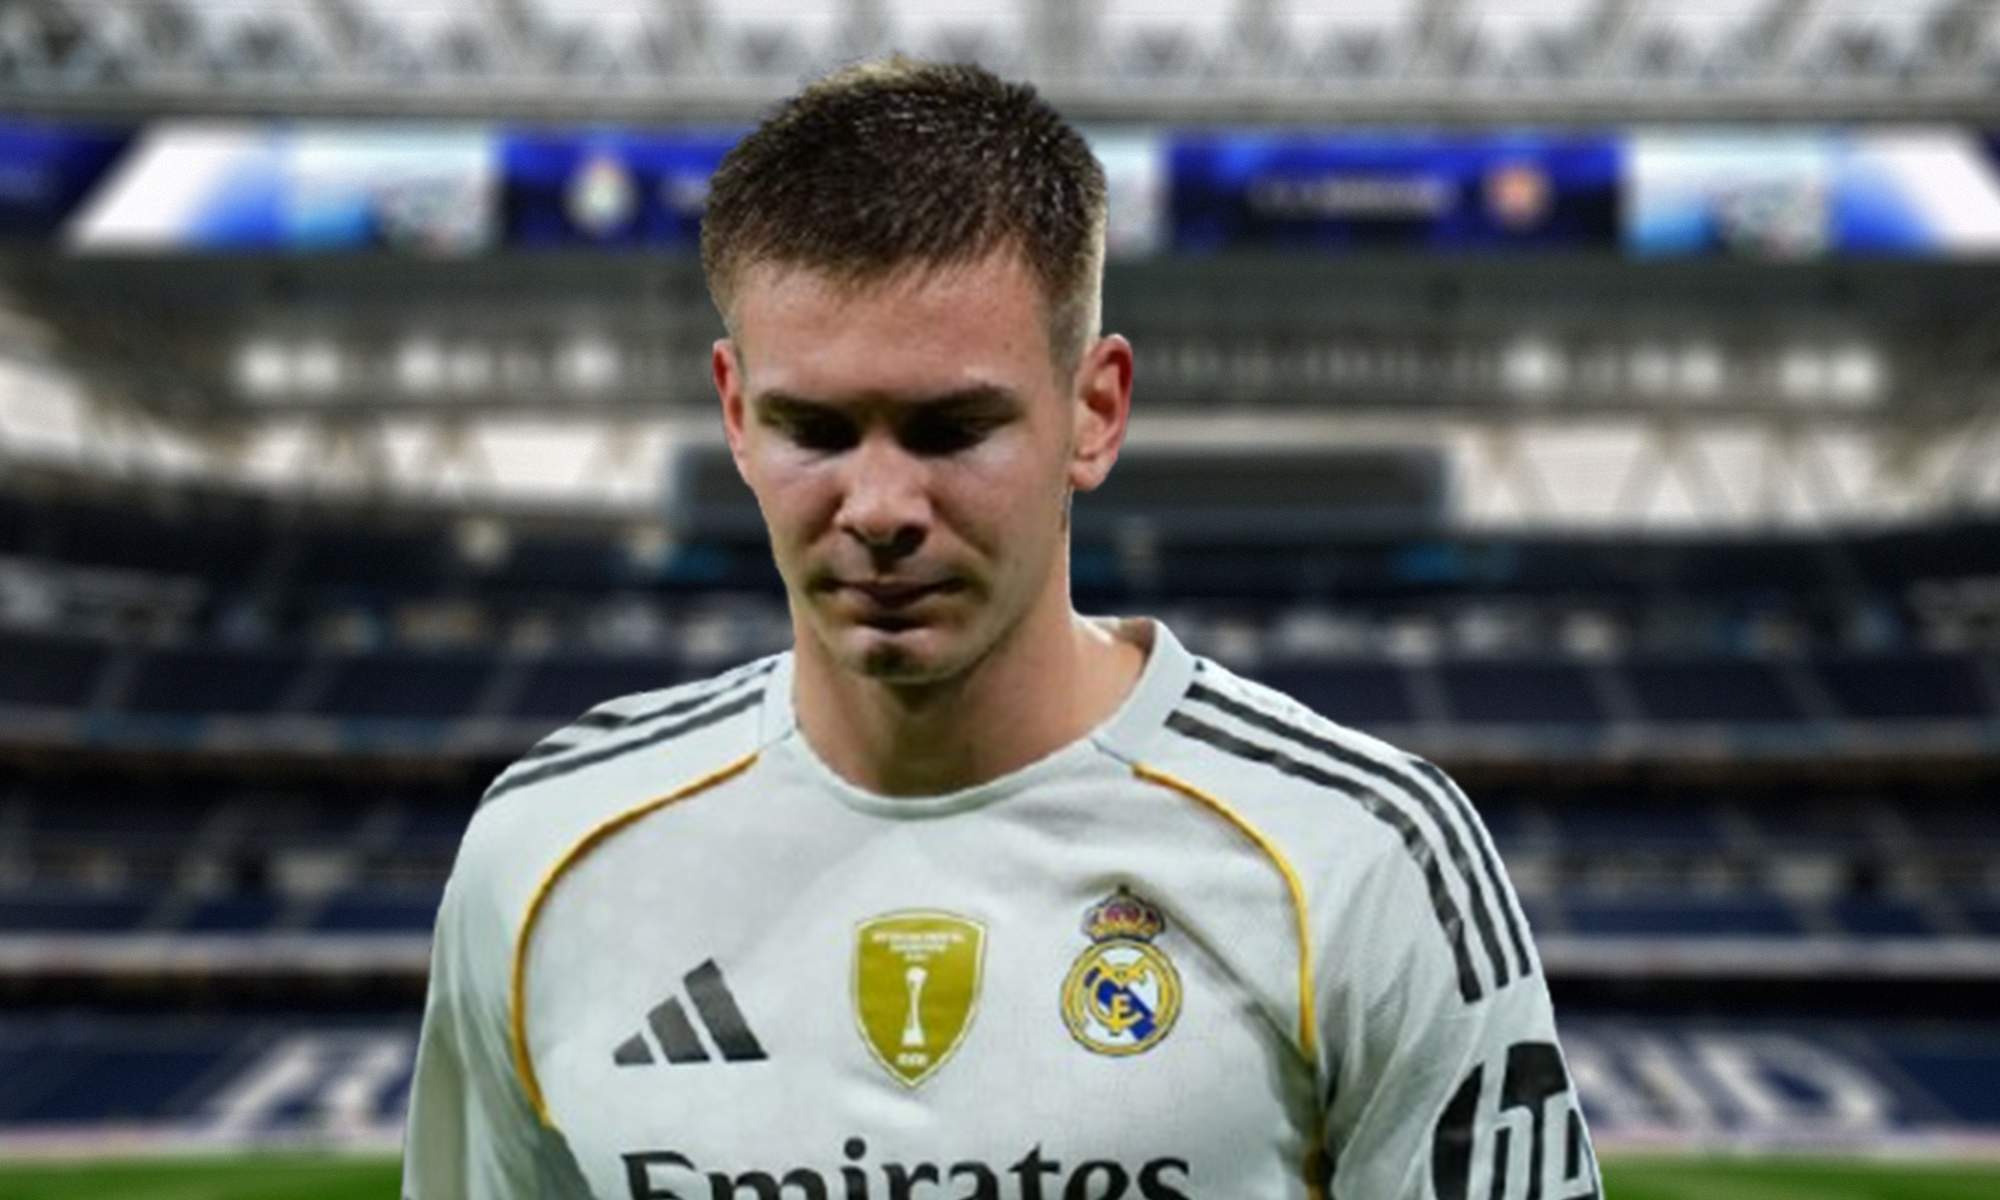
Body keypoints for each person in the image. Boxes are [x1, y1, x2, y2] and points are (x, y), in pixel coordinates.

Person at [403, 59, 1599, 1200]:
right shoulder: (546, 856)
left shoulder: (1365, 859)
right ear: (732, 411)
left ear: (1094, 411)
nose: (877, 511)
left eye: (950, 431)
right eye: (813, 431)